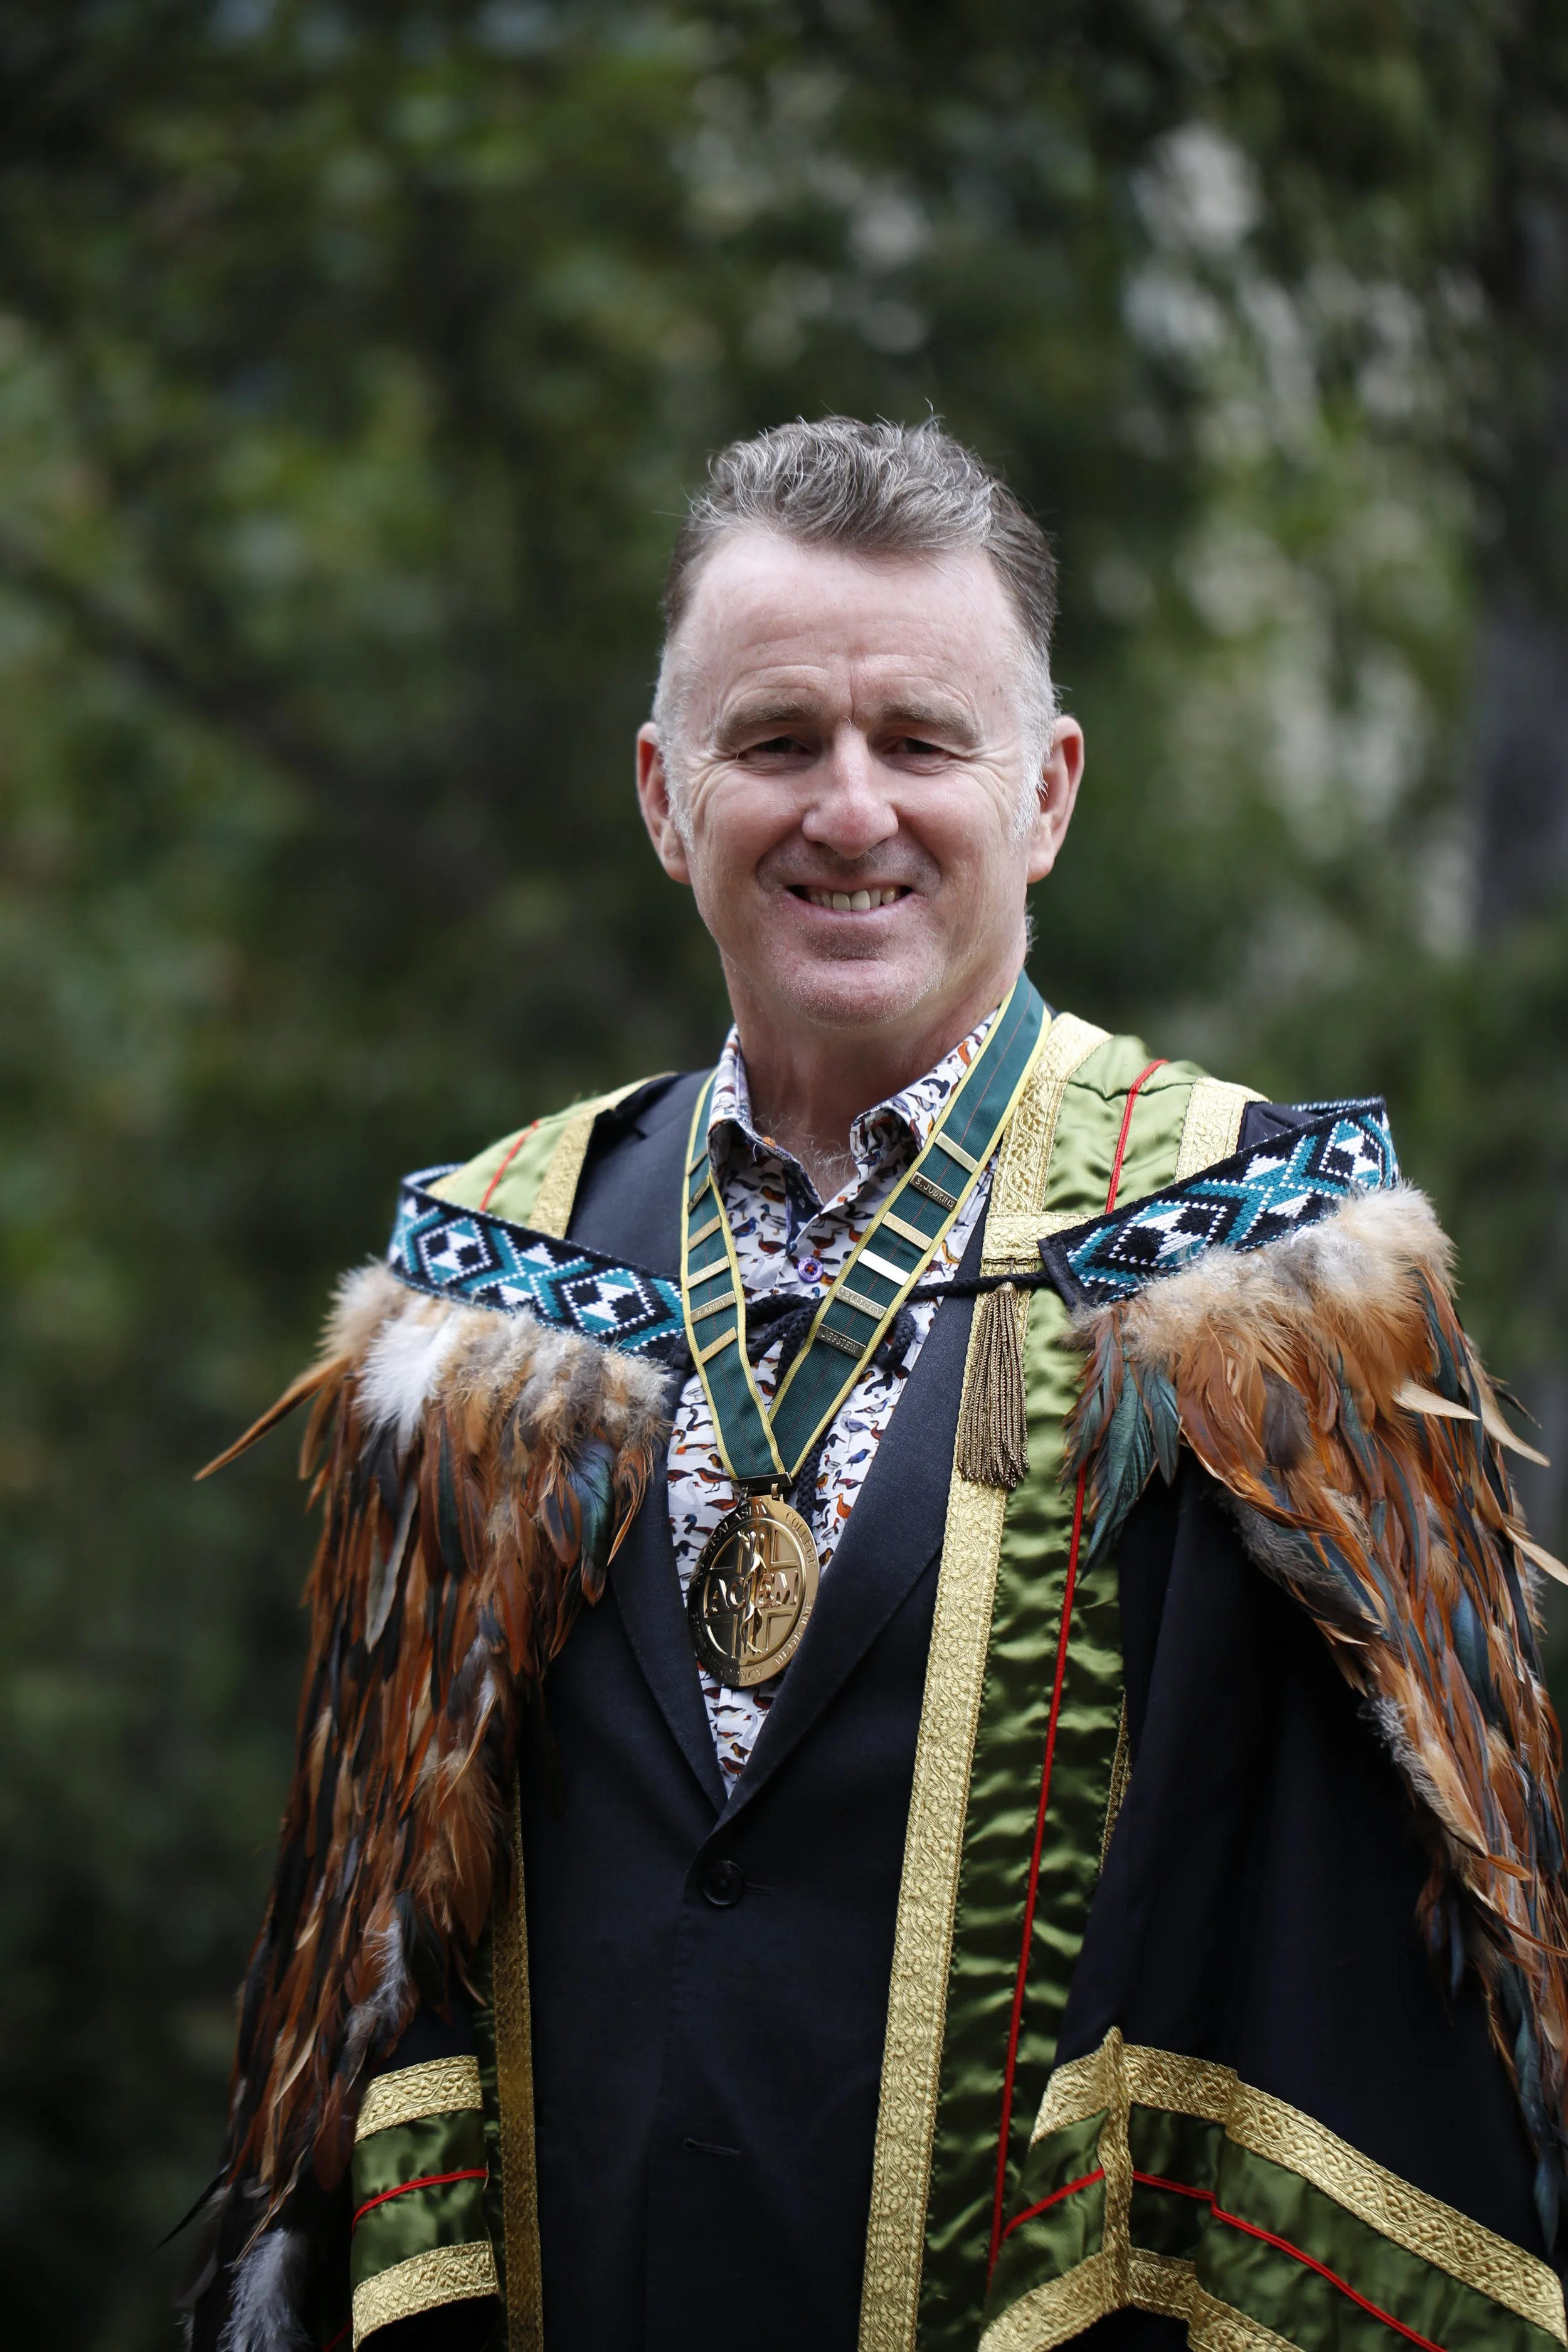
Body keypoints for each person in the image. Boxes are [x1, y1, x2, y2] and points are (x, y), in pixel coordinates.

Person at [188, 419, 1568, 2352]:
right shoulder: (490, 1283)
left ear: (1046, 792)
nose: (849, 810)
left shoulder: (1255, 1281)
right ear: (665, 796)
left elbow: (1336, 1989)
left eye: (919, 740)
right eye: (776, 742)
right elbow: (385, 1977)